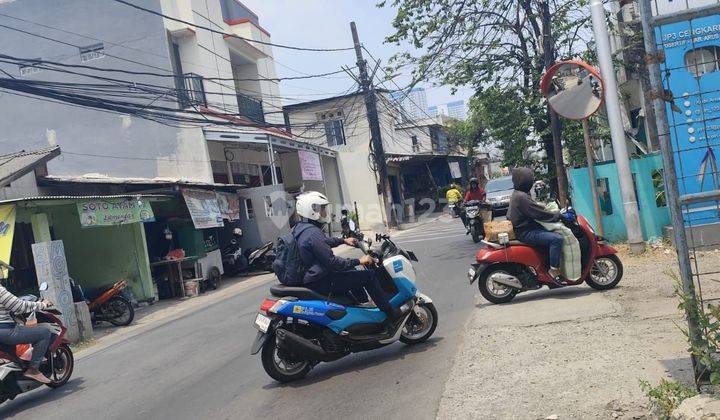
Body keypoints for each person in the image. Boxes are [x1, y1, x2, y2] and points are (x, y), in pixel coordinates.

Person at [293, 191, 402, 322]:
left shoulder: (301, 229)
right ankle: (390, 314)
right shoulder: (313, 233)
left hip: (312, 278)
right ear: (311, 210)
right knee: (369, 276)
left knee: (352, 272)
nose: (324, 212)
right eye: (322, 209)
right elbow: (333, 262)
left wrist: (343, 240)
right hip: (321, 281)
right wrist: (359, 260)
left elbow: (323, 242)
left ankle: (361, 309)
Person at [507, 167, 571, 285]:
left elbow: (534, 208)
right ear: (524, 181)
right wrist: (558, 216)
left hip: (525, 228)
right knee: (557, 239)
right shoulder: (522, 197)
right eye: (529, 180)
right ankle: (554, 271)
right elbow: (538, 212)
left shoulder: (519, 194)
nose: (531, 182)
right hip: (525, 232)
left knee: (552, 234)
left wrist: (548, 209)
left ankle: (547, 265)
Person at [0, 284, 53, 384]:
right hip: (5, 331)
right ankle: (33, 370)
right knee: (44, 333)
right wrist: (42, 304)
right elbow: (19, 306)